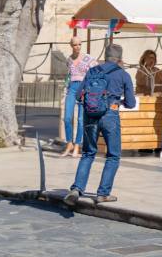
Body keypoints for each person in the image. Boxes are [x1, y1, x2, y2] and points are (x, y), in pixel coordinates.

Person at [65, 43, 135, 205]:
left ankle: (76, 189)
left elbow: (78, 95)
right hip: (110, 115)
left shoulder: (92, 71)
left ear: (105, 56)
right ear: (120, 59)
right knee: (113, 155)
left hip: (90, 116)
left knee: (88, 153)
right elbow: (131, 103)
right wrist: (119, 101)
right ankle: (103, 193)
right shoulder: (123, 74)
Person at [62, 36, 96, 157]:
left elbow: (95, 73)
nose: (78, 47)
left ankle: (77, 145)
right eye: (75, 45)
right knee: (67, 118)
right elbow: (68, 76)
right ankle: (69, 143)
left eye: (79, 44)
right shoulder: (69, 60)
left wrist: (90, 89)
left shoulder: (89, 59)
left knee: (81, 120)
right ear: (71, 45)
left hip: (84, 89)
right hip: (71, 88)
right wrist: (65, 90)